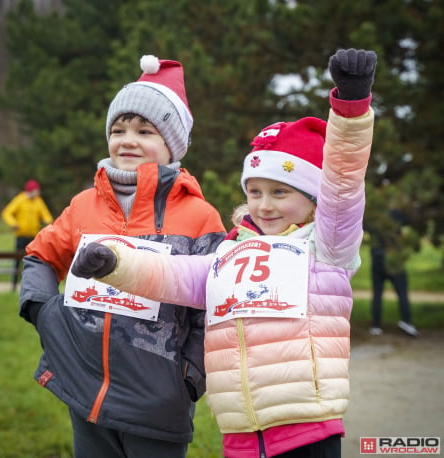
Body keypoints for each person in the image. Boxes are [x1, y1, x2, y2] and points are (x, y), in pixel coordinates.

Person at [71, 48, 377, 458]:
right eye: (254, 192)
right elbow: (174, 275)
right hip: (239, 433)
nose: (264, 205)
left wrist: (351, 109)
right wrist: (115, 264)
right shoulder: (230, 252)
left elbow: (342, 181)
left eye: (280, 192)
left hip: (307, 428)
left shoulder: (326, 248)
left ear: (312, 199)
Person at [19, 55, 226, 458]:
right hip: (82, 390)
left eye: (145, 130)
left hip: (158, 402)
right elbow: (39, 257)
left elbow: (216, 305)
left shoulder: (201, 216)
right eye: (118, 129)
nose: (127, 140)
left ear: (172, 144)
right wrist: (42, 311)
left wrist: (191, 375)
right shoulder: (82, 205)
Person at [366, 206, 419, 337]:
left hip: (377, 258)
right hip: (394, 258)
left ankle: (376, 325)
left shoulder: (373, 216)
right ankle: (406, 321)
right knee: (402, 293)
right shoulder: (398, 213)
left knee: (377, 294)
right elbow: (409, 224)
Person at [1, 179, 53, 290]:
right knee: (17, 261)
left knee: (32, 262)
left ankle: (29, 287)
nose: (38, 193)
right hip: (21, 236)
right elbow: (7, 213)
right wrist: (13, 223)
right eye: (36, 190)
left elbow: (46, 215)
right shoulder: (20, 199)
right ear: (30, 191)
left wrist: (48, 223)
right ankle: (13, 286)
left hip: (33, 237)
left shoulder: (38, 201)